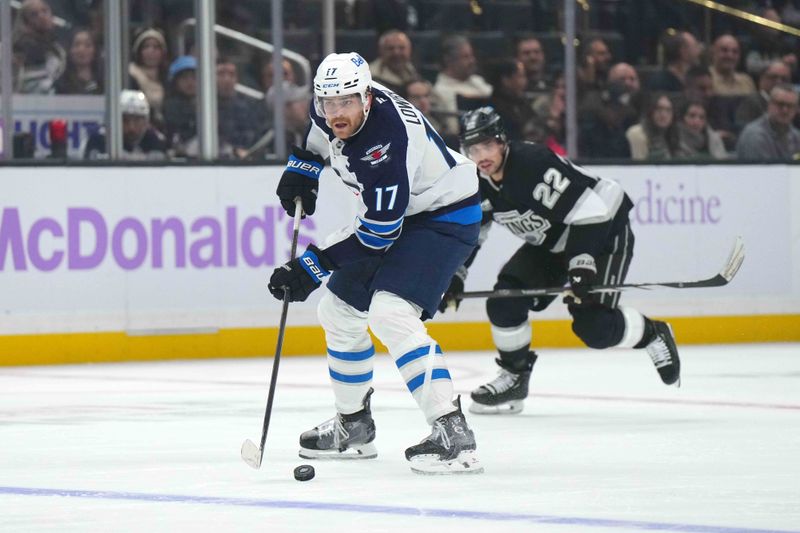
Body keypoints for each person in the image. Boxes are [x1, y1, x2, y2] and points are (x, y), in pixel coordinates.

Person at [268, 52, 483, 475]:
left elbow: (378, 233)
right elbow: (316, 131)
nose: (335, 113)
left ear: (367, 98)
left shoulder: (386, 144)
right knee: (338, 309)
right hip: (406, 213)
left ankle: (453, 432)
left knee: (390, 311)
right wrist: (304, 166)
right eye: (328, 103)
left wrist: (314, 265)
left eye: (345, 103)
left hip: (444, 216)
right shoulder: (330, 101)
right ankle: (354, 425)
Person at [438, 107, 681, 415]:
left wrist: (581, 265)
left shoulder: (532, 164)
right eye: (473, 149)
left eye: (487, 145)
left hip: (604, 225)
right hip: (553, 240)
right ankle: (515, 377)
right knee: (504, 301)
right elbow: (473, 233)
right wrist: (454, 276)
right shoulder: (475, 181)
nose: (481, 155)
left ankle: (652, 333)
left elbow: (591, 211)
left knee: (594, 327)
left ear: (502, 142)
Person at [432, 35, 492, 135]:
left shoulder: (478, 80)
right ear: (449, 60)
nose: (472, 61)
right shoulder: (441, 91)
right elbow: (454, 129)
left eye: (472, 56)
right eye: (466, 57)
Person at [83, 90, 167, 160]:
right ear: (114, 120)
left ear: (146, 122)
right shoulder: (99, 139)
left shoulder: (156, 140)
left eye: (137, 120)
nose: (131, 127)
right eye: (125, 120)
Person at [12, 0, 66, 94]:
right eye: (34, 14)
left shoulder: (58, 49)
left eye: (44, 11)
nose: (41, 16)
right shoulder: (18, 50)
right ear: (25, 22)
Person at [736, 84, 800, 160]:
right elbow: (762, 170)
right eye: (780, 104)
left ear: (796, 109)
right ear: (769, 104)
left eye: (790, 106)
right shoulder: (754, 135)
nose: (785, 110)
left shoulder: (796, 135)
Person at [128, 28, 169, 128]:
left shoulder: (168, 77)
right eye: (146, 47)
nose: (151, 51)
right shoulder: (130, 76)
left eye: (156, 47)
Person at [626, 92, 680, 160]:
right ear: (650, 111)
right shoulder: (637, 133)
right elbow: (640, 166)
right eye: (658, 109)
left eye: (668, 110)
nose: (663, 115)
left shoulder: (673, 136)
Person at [53, 28, 102, 95]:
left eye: (87, 45)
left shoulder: (105, 81)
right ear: (69, 50)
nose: (81, 50)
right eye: (76, 45)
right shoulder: (61, 84)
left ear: (95, 50)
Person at [369, 30, 419, 95]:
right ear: (381, 51)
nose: (396, 53)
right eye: (390, 48)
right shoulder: (369, 78)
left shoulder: (415, 73)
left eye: (401, 48)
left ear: (409, 50)